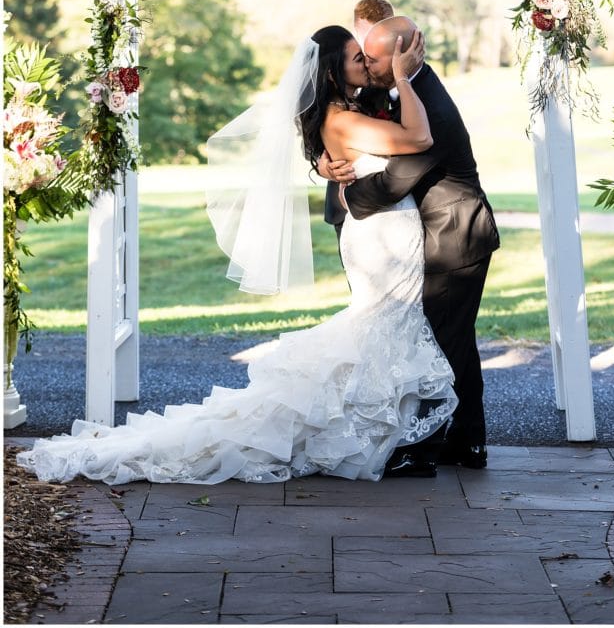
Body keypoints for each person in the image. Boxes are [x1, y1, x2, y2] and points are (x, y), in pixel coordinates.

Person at [16, 26, 456, 486]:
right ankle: (351, 432)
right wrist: (404, 77)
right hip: (381, 241)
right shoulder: (341, 118)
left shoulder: (348, 111)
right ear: (331, 72)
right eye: (356, 59)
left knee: (385, 329)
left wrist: (326, 166)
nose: (367, 64)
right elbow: (419, 138)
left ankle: (373, 432)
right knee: (377, 326)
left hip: (388, 234)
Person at [341, 15, 500, 476]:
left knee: (438, 344)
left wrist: (347, 194)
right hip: (442, 232)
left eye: (373, 58)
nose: (366, 66)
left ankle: (419, 450)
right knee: (458, 342)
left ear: (402, 56)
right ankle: (469, 444)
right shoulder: (396, 89)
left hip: (454, 238)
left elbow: (395, 181)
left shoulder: (431, 106)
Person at [320, 0, 394, 241]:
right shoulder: (338, 84)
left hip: (397, 207)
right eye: (363, 41)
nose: (367, 52)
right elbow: (314, 140)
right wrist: (325, 168)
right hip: (347, 208)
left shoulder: (407, 80)